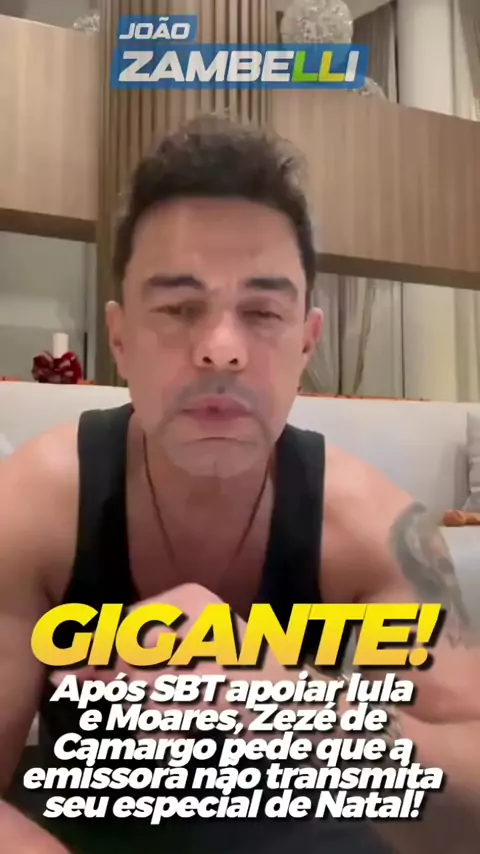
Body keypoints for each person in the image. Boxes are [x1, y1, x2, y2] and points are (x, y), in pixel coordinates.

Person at [0, 115, 479, 854]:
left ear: (307, 342)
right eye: (178, 308)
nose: (221, 349)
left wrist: (283, 704)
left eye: (261, 312)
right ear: (121, 339)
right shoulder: (33, 508)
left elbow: (468, 812)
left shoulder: (374, 533)